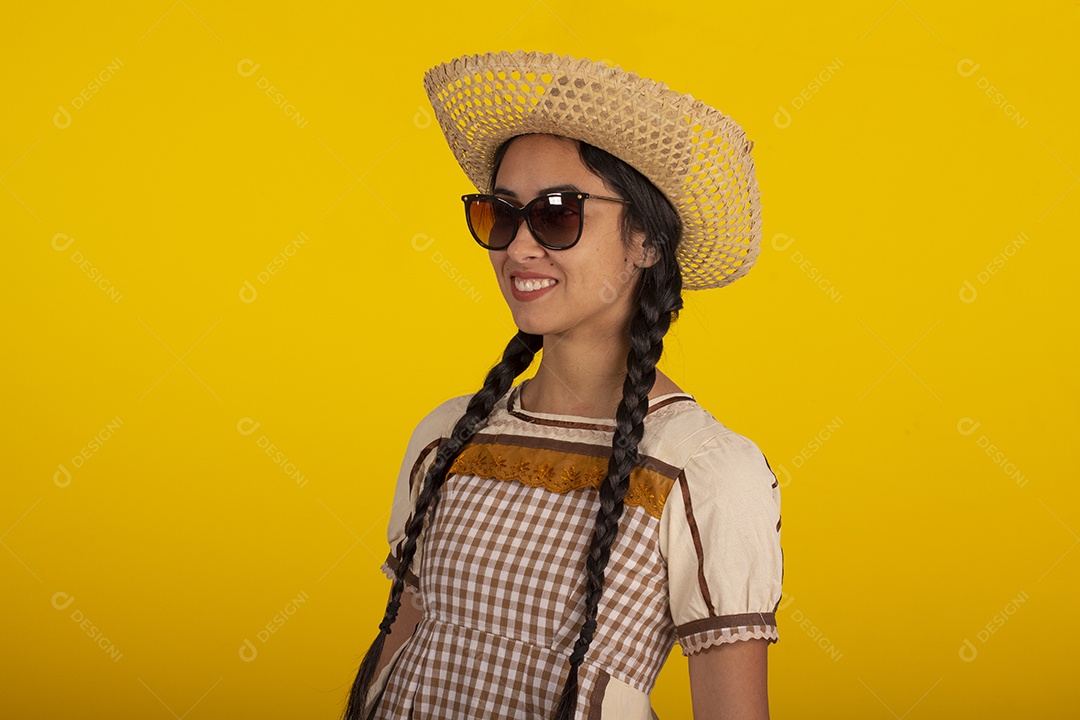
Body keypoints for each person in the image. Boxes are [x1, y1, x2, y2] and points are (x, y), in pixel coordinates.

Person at [343, 50, 784, 720]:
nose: (518, 248)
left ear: (646, 242)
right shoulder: (445, 438)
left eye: (556, 214)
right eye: (501, 214)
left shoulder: (703, 470)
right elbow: (396, 655)